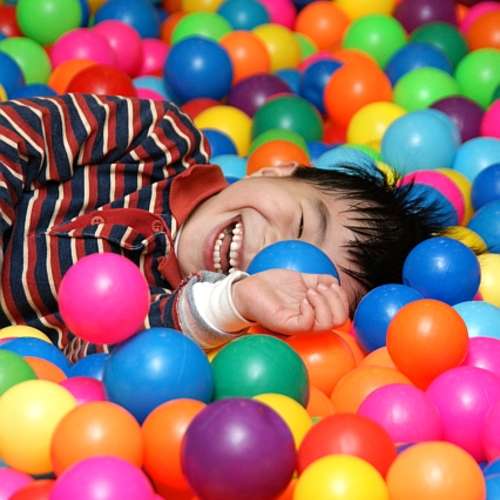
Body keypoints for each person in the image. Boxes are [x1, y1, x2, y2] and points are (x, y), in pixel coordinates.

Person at [0, 94, 445, 360]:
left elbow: (86, 363)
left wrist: (229, 304)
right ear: (276, 171)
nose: (268, 253)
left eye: (293, 278)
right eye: (301, 223)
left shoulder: (177, 325)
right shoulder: (160, 143)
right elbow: (19, 132)